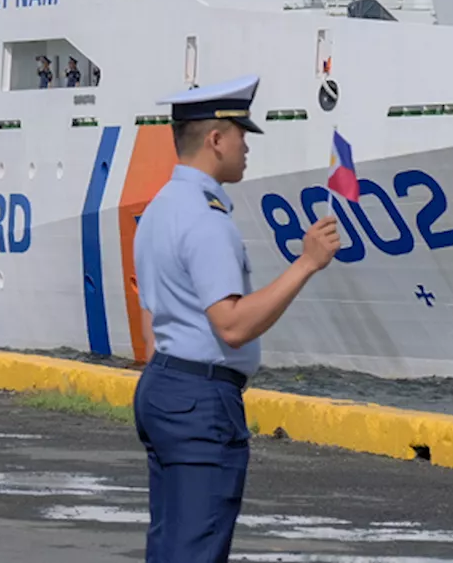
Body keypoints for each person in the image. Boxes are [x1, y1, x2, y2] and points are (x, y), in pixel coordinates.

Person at [132, 75, 340, 563]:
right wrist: (307, 262)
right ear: (216, 139)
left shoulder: (160, 208)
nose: (247, 146)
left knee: (171, 542)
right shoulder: (206, 220)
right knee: (196, 549)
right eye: (242, 134)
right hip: (201, 399)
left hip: (165, 384)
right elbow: (231, 325)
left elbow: (149, 315)